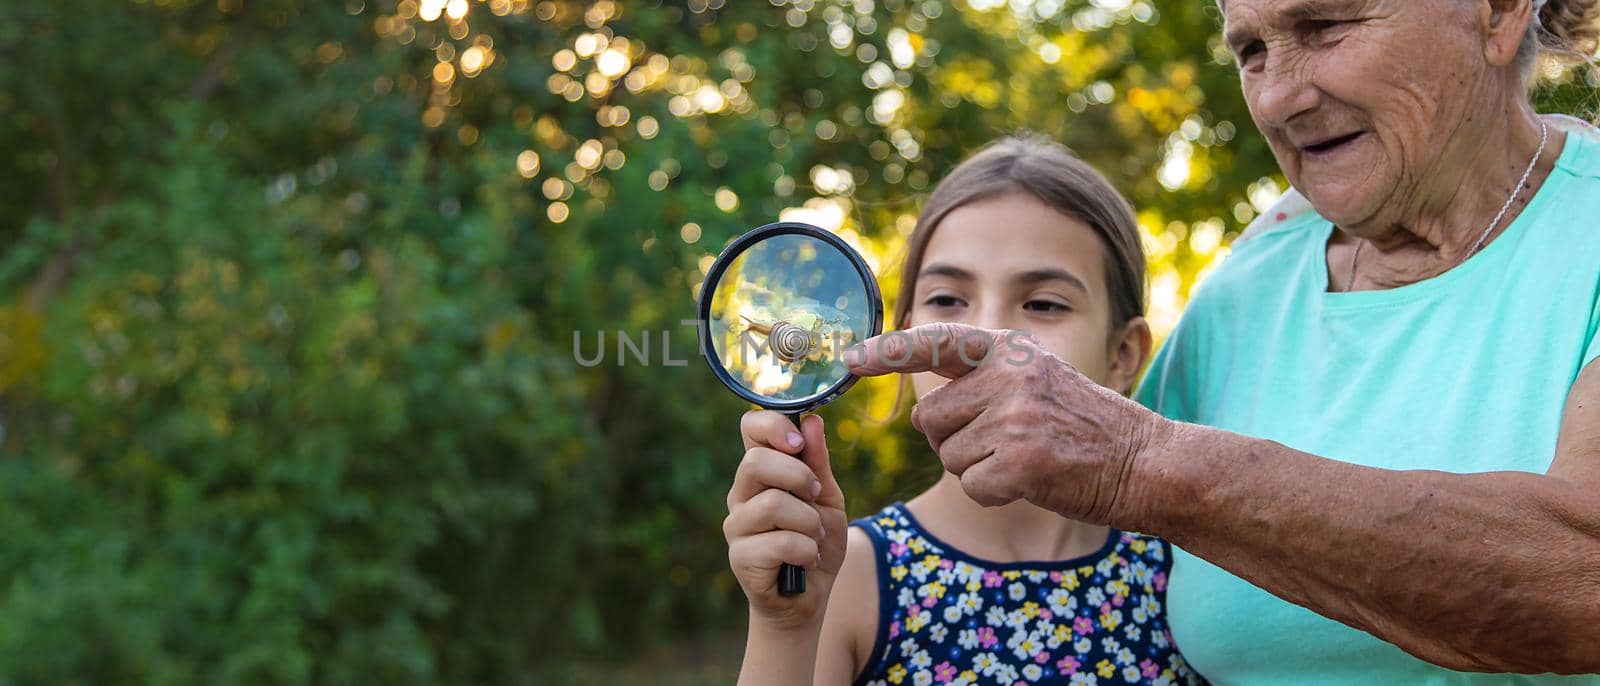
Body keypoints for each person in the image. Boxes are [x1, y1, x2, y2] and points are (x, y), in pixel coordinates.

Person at [845, 0, 1600, 682]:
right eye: (1250, 51)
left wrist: (1144, 463)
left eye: (1324, 27)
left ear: (1498, 13)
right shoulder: (1259, 269)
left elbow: (1583, 584)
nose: (1275, 98)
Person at [723, 135, 1205, 685]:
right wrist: (784, 625)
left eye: (1043, 304)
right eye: (947, 300)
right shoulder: (848, 576)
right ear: (902, 338)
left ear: (1123, 354)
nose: (980, 339)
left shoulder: (1192, 578)